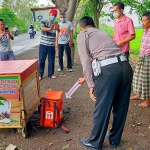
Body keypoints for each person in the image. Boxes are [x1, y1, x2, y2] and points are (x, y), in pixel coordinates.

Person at [77, 16, 133, 150]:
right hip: (125, 66)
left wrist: (91, 84)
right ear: (94, 24)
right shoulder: (102, 32)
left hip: (109, 71)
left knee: (102, 107)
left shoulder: (83, 34)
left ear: (81, 27)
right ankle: (114, 140)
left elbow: (86, 61)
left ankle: (94, 142)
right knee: (121, 106)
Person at [130, 12, 150, 107]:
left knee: (147, 79)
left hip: (148, 58)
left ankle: (148, 100)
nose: (142, 23)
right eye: (142, 20)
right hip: (142, 57)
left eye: (144, 20)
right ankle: (139, 95)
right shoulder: (145, 31)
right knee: (138, 77)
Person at [38, 9, 59, 81]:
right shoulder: (44, 21)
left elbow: (58, 32)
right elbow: (42, 28)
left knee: (51, 60)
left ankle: (51, 74)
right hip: (43, 44)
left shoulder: (56, 23)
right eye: (52, 15)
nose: (53, 16)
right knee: (41, 60)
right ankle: (40, 74)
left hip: (51, 45)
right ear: (49, 14)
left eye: (55, 15)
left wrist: (57, 29)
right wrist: (50, 28)